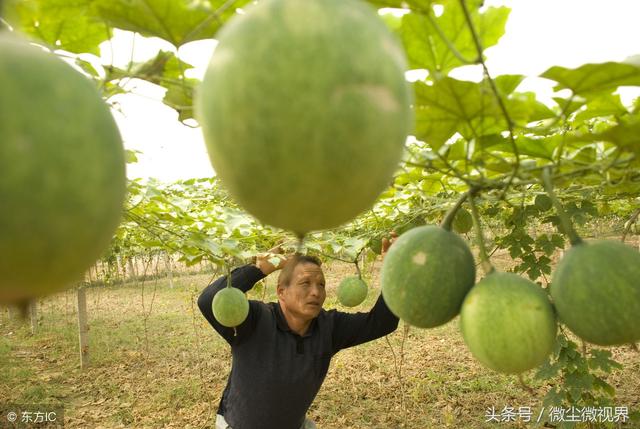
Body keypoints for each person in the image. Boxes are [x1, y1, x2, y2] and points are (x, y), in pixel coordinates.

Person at [197, 237, 398, 429]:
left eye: (321, 284)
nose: (316, 292)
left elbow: (382, 323)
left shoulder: (329, 326)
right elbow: (208, 300)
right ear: (281, 292)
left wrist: (394, 269)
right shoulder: (255, 320)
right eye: (305, 283)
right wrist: (260, 268)